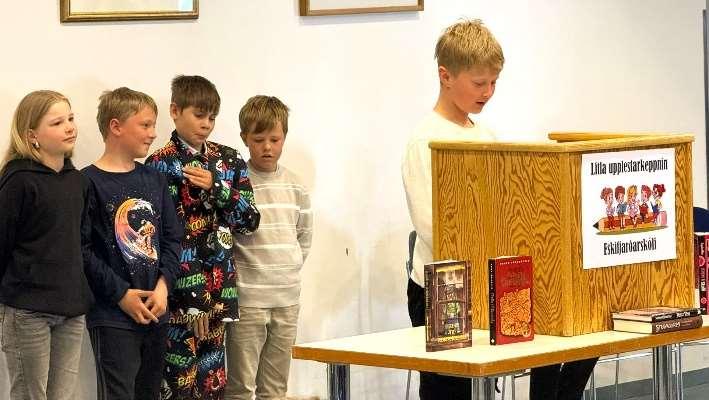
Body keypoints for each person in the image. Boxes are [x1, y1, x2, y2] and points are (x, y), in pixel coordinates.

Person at [401, 19, 597, 400]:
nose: (488, 92)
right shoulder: (424, 141)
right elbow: (432, 227)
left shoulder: (486, 136)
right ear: (445, 76)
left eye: (494, 82)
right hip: (443, 287)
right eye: (479, 83)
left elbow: (505, 208)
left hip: (484, 283)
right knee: (449, 391)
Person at [145, 75, 260, 400]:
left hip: (220, 294)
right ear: (175, 111)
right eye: (199, 115)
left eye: (212, 117)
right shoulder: (159, 164)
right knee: (178, 387)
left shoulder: (229, 160)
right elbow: (166, 237)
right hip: (179, 299)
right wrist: (193, 300)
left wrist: (217, 187)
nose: (206, 124)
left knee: (214, 387)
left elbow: (249, 221)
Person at [82, 87, 182, 400]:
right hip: (112, 316)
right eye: (146, 125)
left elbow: (172, 238)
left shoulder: (155, 179)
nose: (153, 133)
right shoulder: (87, 182)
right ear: (116, 126)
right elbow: (83, 251)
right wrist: (122, 295)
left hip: (156, 311)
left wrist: (163, 287)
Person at [0, 90, 94, 400]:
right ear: (32, 135)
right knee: (30, 395)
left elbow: (80, 242)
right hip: (27, 311)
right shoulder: (18, 181)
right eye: (57, 123)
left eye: (70, 119)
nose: (69, 127)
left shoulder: (77, 181)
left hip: (71, 310)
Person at [224, 95, 313, 400]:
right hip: (248, 301)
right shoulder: (236, 185)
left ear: (284, 137)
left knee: (275, 389)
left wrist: (287, 269)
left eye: (274, 139)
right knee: (240, 387)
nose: (267, 147)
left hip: (287, 299)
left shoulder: (296, 186)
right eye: (258, 139)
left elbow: (304, 237)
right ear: (244, 138)